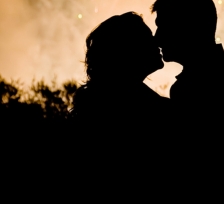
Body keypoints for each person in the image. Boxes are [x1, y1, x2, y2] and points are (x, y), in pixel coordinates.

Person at [152, 0, 224, 175]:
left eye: (164, 26)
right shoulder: (222, 74)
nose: (157, 38)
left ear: (189, 27)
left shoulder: (202, 85)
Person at [72, 12, 170, 148]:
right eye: (147, 38)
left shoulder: (99, 103)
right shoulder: (143, 109)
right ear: (129, 50)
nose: (156, 41)